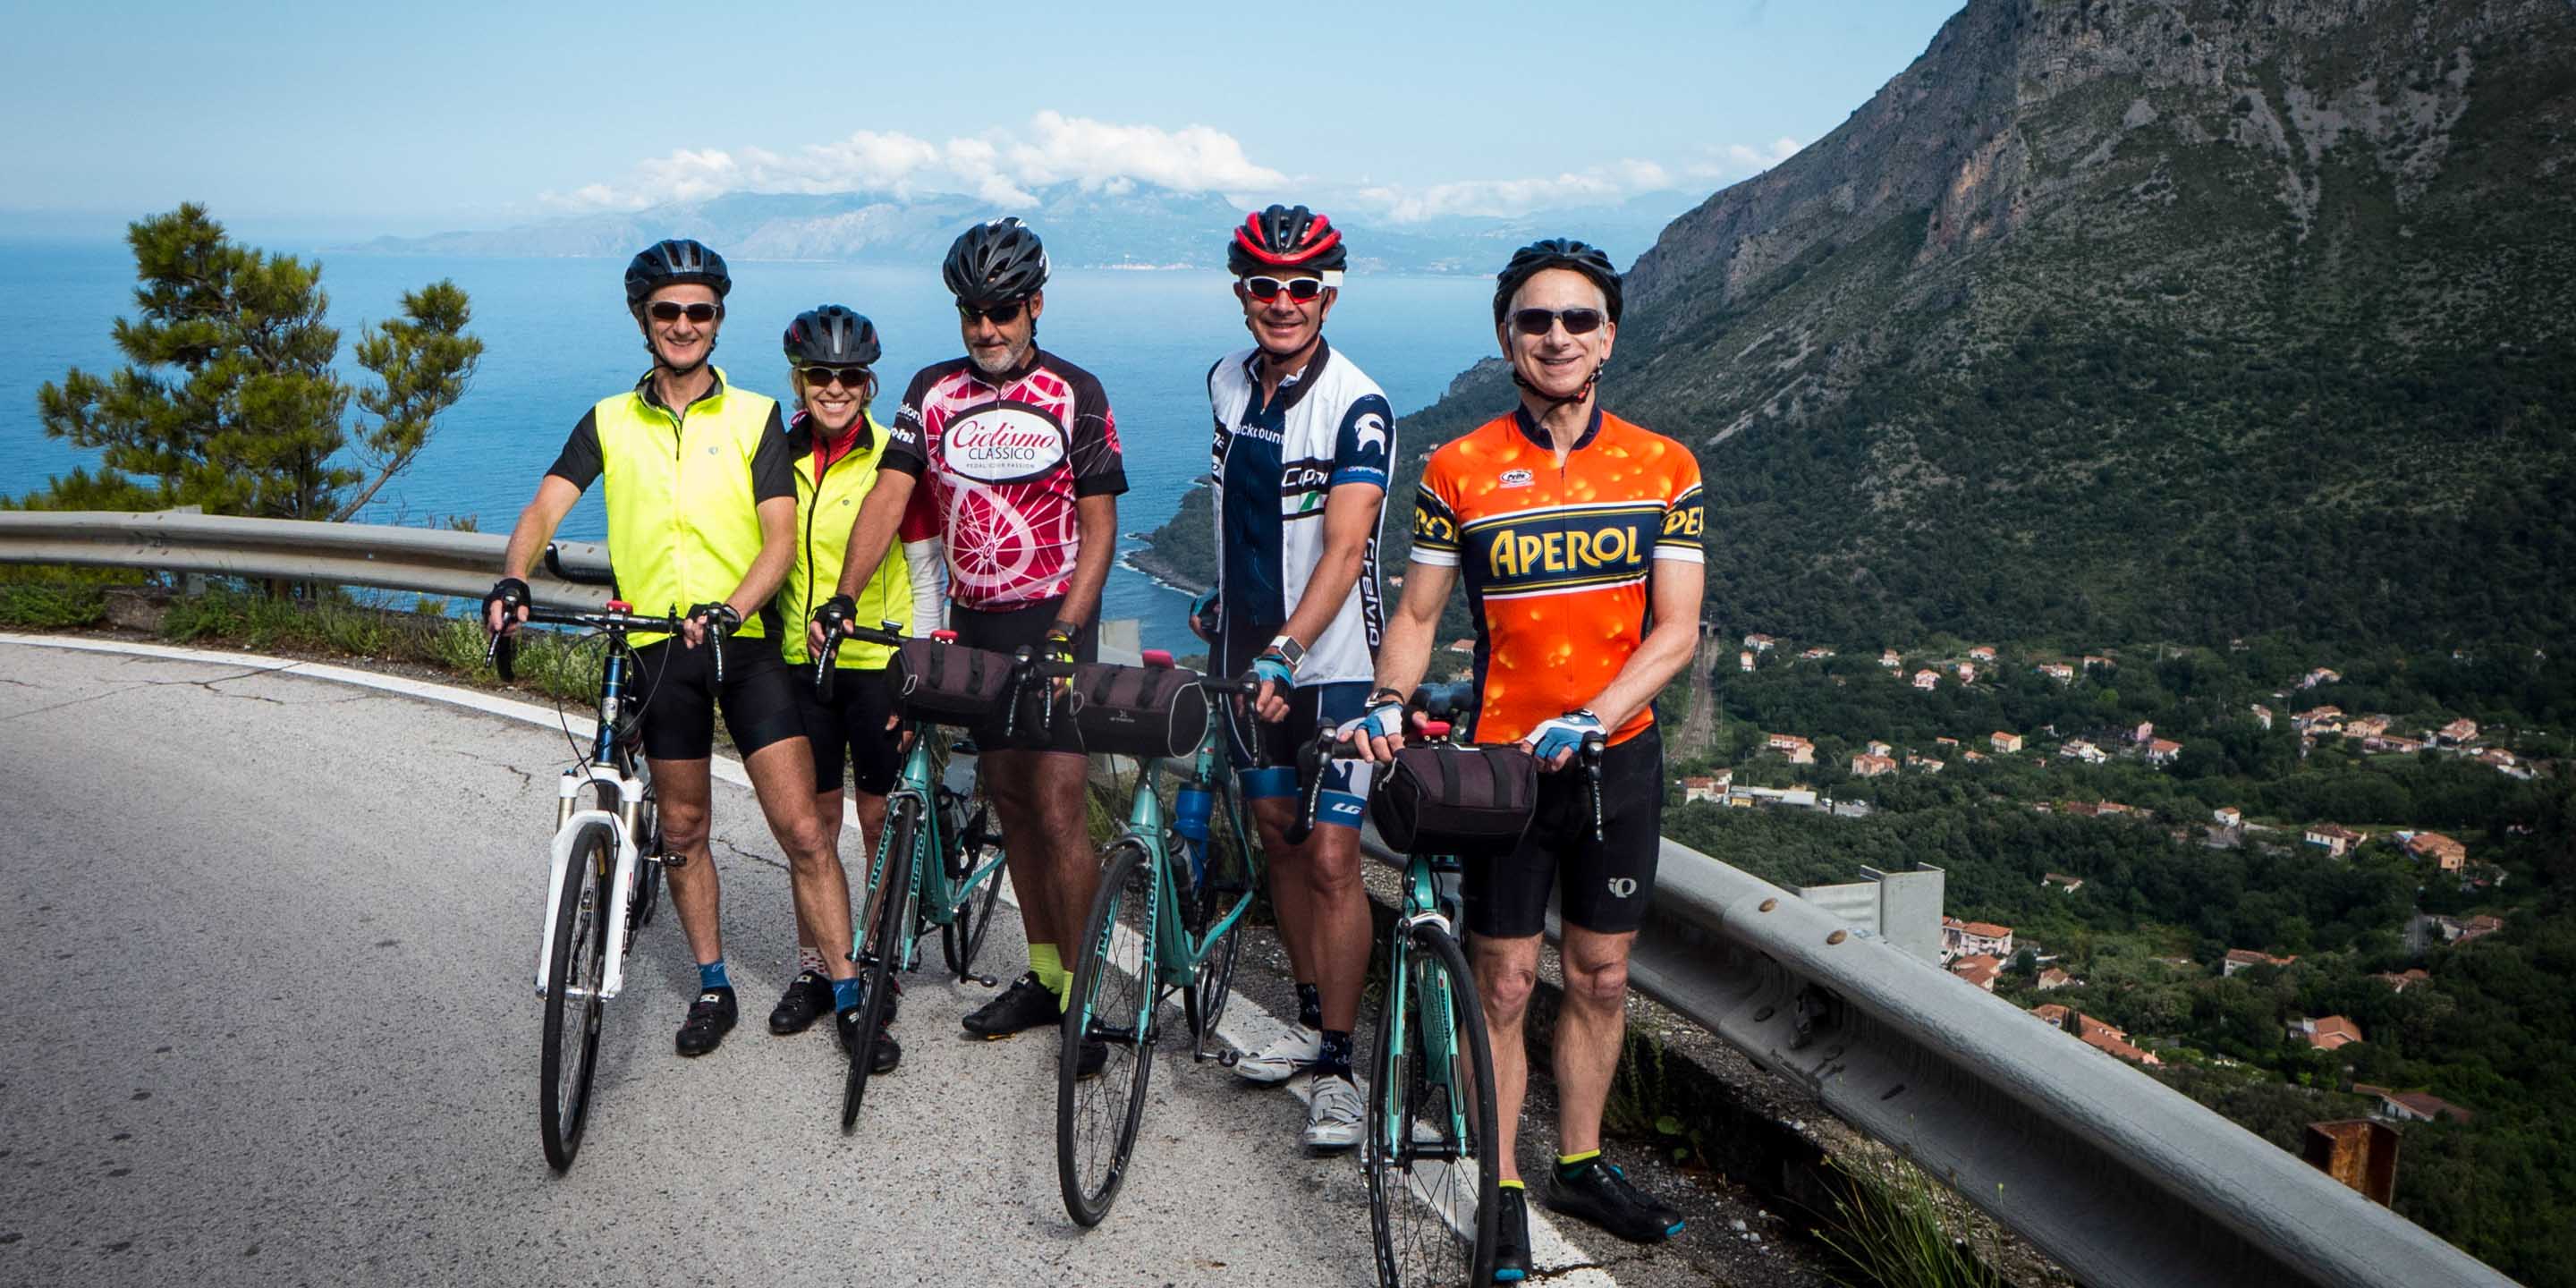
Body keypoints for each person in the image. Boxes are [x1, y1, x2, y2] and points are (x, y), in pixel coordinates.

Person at [1352, 239, 1705, 1275]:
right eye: (1536, 320)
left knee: (1599, 975)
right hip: (1503, 767)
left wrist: (1593, 716)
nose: (1558, 336)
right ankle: (1501, 1181)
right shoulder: (1457, 468)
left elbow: (1675, 632)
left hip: (1616, 762)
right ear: (1505, 335)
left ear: (1611, 337)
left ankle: (1582, 1164)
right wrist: (1386, 697)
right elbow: (1418, 611)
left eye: (1579, 320)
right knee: (1503, 984)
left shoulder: (1664, 465)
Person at [484, 239, 851, 1062]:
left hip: (743, 645)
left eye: (700, 311)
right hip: (657, 651)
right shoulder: (608, 420)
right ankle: (713, 984)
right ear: (641, 319)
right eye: (668, 311)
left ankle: (849, 988)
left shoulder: (756, 417)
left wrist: (734, 607)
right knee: (682, 827)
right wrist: (512, 578)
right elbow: (546, 508)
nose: (684, 325)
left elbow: (780, 542)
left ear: (718, 321)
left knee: (801, 828)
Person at [811, 217, 1124, 1077]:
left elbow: (1098, 530)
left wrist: (1068, 631)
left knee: (1059, 803)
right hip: (978, 619)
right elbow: (888, 497)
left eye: (1002, 312)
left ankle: (1087, 1001)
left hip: (1055, 618)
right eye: (972, 313)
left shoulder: (1076, 391)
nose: (986, 330)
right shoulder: (930, 390)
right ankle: (1047, 975)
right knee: (1012, 802)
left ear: (1035, 305)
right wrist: (842, 596)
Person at [1190, 205, 1393, 1152]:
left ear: (1330, 293)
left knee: (1332, 858)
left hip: (1335, 669)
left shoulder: (1358, 403)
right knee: (1276, 835)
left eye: (1301, 286)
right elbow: (1241, 515)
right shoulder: (1225, 381)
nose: (1282, 303)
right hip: (1244, 655)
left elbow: (1346, 549)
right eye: (1264, 285)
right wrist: (1220, 607)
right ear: (1241, 292)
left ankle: (1344, 1064)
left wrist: (1285, 648)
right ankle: (1313, 1027)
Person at [768, 304, 916, 1073]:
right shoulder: (774, 453)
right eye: (820, 375)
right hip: (798, 660)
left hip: (876, 660)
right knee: (811, 822)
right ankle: (818, 965)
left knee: (875, 818)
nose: (834, 388)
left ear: (869, 383)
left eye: (849, 376)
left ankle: (877, 955)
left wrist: (921, 662)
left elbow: (925, 563)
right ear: (800, 379)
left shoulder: (895, 456)